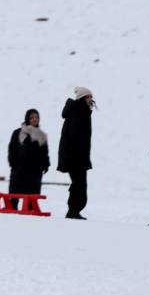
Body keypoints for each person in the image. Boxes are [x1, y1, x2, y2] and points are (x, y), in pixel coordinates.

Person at [57, 87, 94, 219]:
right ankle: (73, 210)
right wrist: (77, 157)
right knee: (79, 184)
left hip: (78, 157)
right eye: (88, 97)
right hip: (75, 158)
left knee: (79, 183)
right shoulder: (79, 113)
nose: (91, 99)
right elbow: (75, 138)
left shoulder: (82, 112)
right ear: (83, 98)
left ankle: (74, 210)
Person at [7, 109, 50, 208]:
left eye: (37, 117)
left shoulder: (42, 135)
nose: (35, 119)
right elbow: (12, 148)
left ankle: (30, 209)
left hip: (35, 169)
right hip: (19, 168)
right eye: (32, 117)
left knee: (32, 193)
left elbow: (44, 151)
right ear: (27, 119)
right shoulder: (18, 132)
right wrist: (12, 162)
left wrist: (46, 164)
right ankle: (12, 207)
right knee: (16, 191)